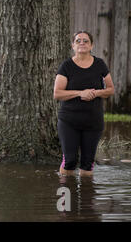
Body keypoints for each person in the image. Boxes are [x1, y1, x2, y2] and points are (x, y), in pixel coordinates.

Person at [53, 30, 115, 177]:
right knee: (70, 160)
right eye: (78, 41)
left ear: (92, 45)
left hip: (93, 122)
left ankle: (86, 199)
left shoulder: (99, 64)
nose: (82, 43)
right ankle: (67, 198)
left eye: (86, 41)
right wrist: (81, 93)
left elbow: (111, 89)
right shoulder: (66, 66)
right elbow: (57, 93)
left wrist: (95, 93)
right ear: (73, 46)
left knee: (87, 164)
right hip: (69, 121)